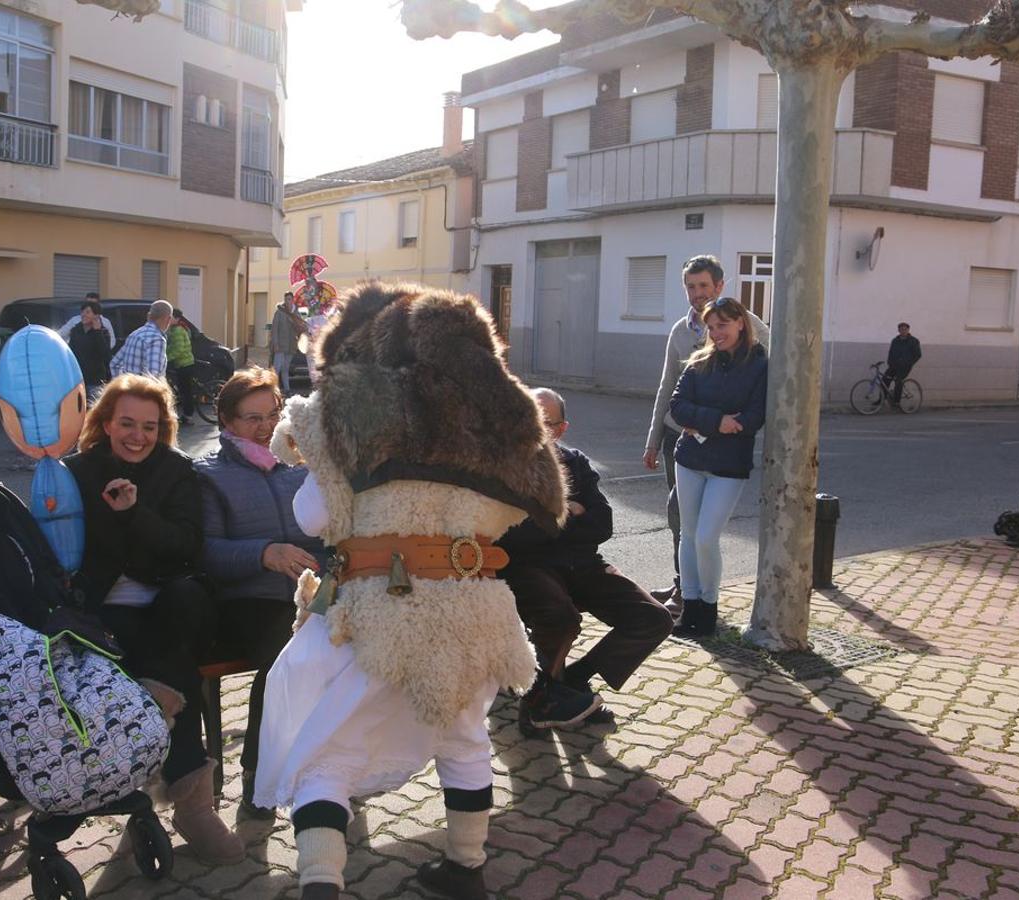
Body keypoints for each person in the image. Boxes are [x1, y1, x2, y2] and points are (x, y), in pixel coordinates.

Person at [252, 284, 567, 900]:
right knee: (465, 739)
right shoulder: (505, 419)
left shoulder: (348, 409)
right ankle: (467, 867)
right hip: (477, 611)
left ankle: (321, 883)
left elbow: (315, 517)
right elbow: (529, 513)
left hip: (381, 612)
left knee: (327, 754)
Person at [64, 374, 244, 865]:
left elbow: (186, 546)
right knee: (171, 664)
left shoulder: (176, 470)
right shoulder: (76, 470)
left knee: (185, 604)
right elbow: (60, 550)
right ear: (104, 423)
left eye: (149, 425)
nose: (137, 436)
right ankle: (193, 805)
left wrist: (134, 514)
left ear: (162, 428)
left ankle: (151, 733)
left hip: (173, 601)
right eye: (126, 423)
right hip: (105, 610)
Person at [499, 388, 673, 730]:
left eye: (547, 423)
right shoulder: (502, 467)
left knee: (654, 618)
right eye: (530, 418)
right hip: (529, 567)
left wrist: (548, 518)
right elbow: (510, 535)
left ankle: (572, 682)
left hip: (583, 564)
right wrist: (570, 514)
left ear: (562, 429)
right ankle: (538, 706)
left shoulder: (574, 461)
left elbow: (602, 524)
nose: (536, 428)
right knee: (560, 617)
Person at [193, 366, 323, 820]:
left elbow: (324, 531)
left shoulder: (300, 466)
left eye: (274, 413)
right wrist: (264, 553)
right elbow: (206, 552)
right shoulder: (208, 473)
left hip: (311, 592)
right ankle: (259, 773)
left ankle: (334, 767)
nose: (267, 426)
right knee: (284, 652)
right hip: (247, 597)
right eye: (252, 418)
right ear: (226, 421)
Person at [643, 255, 769, 608]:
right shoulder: (681, 331)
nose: (696, 293)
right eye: (690, 286)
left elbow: (768, 378)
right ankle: (685, 587)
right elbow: (667, 388)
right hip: (679, 436)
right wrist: (653, 440)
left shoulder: (748, 326)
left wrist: (742, 422)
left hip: (724, 442)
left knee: (699, 526)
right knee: (679, 517)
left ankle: (699, 596)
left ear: (719, 286)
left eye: (703, 286)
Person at [668, 297, 768, 638]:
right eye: (711, 327)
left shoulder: (759, 365)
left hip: (729, 465)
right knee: (688, 535)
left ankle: (708, 610)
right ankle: (690, 609)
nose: (715, 332)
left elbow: (755, 415)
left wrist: (708, 423)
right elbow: (678, 407)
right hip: (690, 460)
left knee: (707, 537)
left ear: (741, 322)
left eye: (722, 325)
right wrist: (717, 421)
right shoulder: (698, 362)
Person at [111, 299, 172, 379]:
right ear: (168, 319)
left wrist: (122, 386)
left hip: (128, 388)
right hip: (145, 390)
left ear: (148, 316)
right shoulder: (157, 339)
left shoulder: (134, 334)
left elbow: (114, 364)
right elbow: (154, 375)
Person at [65, 298, 112, 391]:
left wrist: (97, 332)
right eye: (82, 312)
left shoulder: (103, 332)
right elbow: (70, 352)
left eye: (88, 312)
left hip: (95, 380)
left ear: (96, 316)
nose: (83, 315)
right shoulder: (76, 330)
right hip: (78, 378)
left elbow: (105, 355)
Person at [165, 308, 198, 425]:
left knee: (186, 391)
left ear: (177, 319)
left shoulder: (178, 330)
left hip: (185, 364)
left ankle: (188, 416)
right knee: (184, 390)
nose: (169, 319)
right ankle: (186, 414)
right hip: (183, 363)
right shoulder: (175, 329)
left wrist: (165, 358)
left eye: (171, 317)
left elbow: (178, 349)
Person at [269, 292, 303, 394]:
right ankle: (272, 389)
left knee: (285, 368)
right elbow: (274, 329)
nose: (287, 301)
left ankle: (287, 389)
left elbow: (300, 328)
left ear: (292, 300)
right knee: (276, 369)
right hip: (280, 345)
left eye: (289, 299)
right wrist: (275, 344)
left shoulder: (296, 313)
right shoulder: (279, 312)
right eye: (286, 299)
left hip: (291, 345)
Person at [885, 321, 922, 407]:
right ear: (898, 330)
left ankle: (896, 402)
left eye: (905, 329)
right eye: (901, 329)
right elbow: (890, 353)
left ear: (908, 330)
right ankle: (881, 400)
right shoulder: (895, 341)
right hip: (893, 365)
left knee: (898, 381)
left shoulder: (913, 341)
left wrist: (909, 363)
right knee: (884, 379)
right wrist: (890, 363)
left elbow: (918, 355)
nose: (903, 331)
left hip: (905, 366)